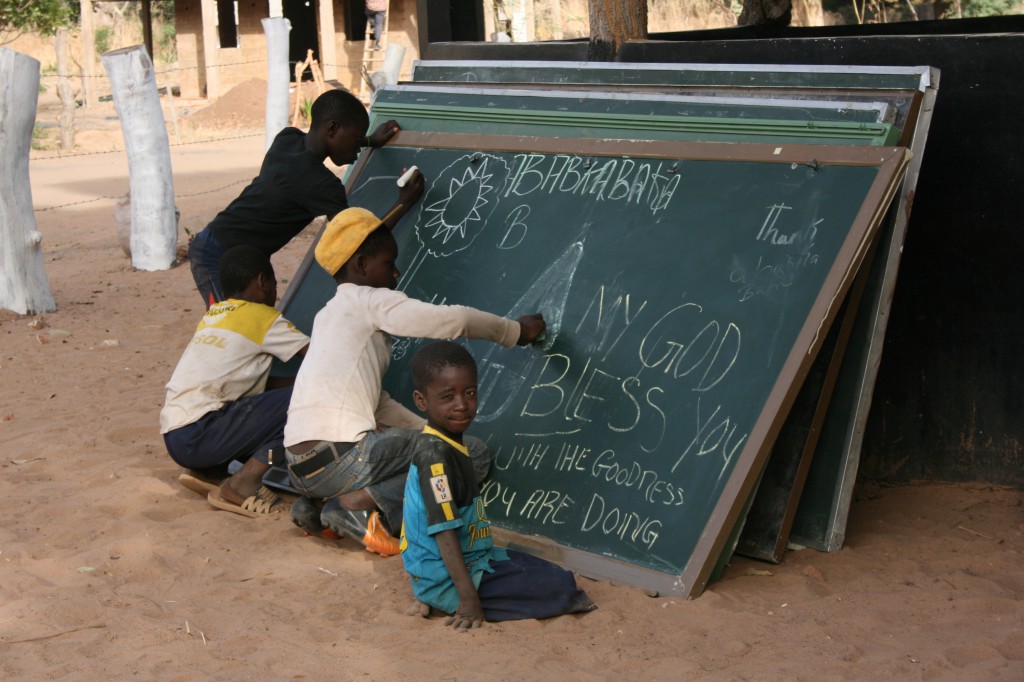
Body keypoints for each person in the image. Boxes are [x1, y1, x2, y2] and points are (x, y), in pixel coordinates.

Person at [283, 206, 546, 555]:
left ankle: (316, 507)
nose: (396, 272)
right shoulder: (368, 300)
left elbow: (378, 403)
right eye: (388, 263)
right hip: (346, 458)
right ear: (361, 265)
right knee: (470, 455)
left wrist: (430, 433)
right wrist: (514, 331)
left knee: (434, 448)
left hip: (300, 468)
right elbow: (453, 320)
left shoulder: (327, 315)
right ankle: (359, 507)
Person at [400, 340, 596, 628]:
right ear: (421, 401)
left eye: (470, 392)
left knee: (550, 571)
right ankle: (446, 601)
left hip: (476, 557)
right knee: (558, 586)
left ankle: (449, 595)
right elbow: (445, 534)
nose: (462, 405)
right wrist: (469, 605)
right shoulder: (434, 457)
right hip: (446, 579)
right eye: (447, 396)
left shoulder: (448, 443)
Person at [188, 88, 423, 308]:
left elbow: (325, 140)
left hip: (234, 249)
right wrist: (404, 202)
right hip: (217, 255)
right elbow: (360, 241)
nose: (357, 149)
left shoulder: (287, 139)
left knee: (252, 324)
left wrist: (368, 140)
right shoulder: (321, 185)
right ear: (332, 129)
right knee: (230, 325)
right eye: (356, 138)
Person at [161, 245, 309, 516]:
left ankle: (210, 472)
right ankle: (244, 482)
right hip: (203, 434)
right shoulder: (263, 318)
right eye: (274, 285)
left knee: (280, 400)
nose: (275, 294)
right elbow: (321, 360)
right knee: (308, 399)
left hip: (176, 436)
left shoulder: (214, 315)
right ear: (262, 282)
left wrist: (294, 383)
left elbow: (257, 388)